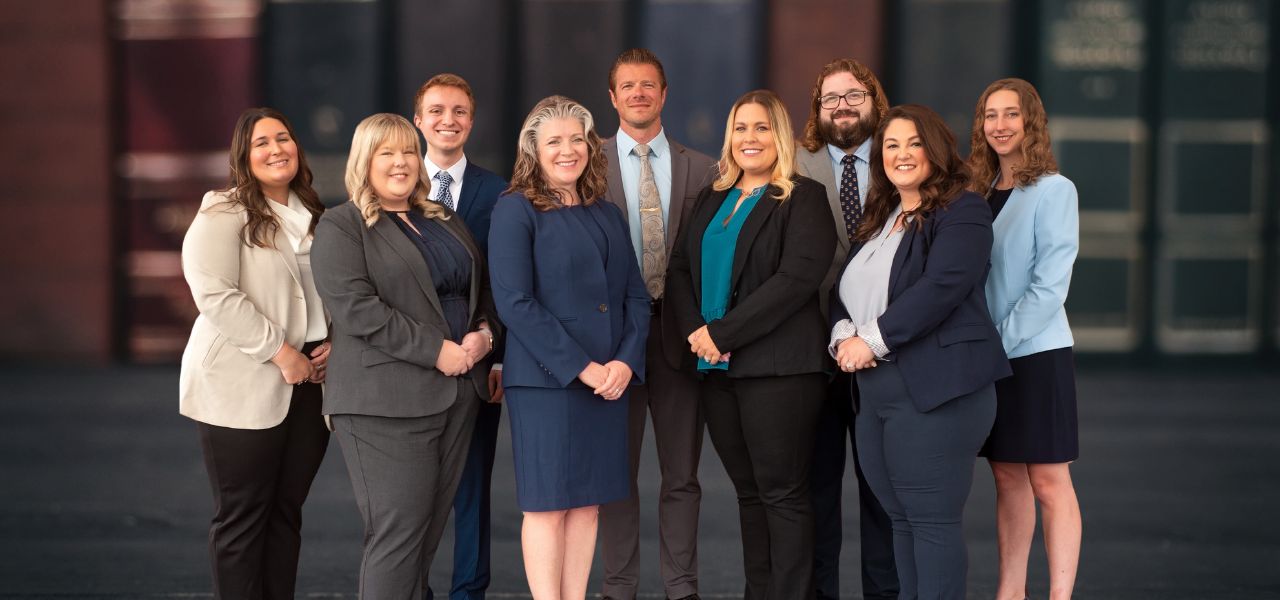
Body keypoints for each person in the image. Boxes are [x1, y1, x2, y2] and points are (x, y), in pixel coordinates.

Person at [311, 113, 500, 599]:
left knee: (425, 537)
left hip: (458, 393)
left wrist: (484, 333)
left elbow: (475, 288)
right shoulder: (341, 226)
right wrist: (436, 351)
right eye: (386, 153)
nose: (401, 162)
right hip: (384, 402)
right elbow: (358, 311)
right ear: (364, 161)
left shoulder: (440, 217)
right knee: (397, 538)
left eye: (409, 152)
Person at [829, 104, 1010, 599]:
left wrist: (869, 340)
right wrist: (844, 334)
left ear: (935, 150)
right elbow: (844, 290)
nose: (901, 154)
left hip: (938, 389)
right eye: (890, 145)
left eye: (913, 143)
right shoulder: (881, 217)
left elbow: (943, 286)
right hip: (876, 392)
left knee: (931, 522)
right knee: (900, 521)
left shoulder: (963, 209)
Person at [665, 89, 836, 600]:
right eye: (741, 128)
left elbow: (795, 281)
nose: (749, 138)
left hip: (779, 371)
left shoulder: (802, 198)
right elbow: (679, 271)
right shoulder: (715, 196)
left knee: (782, 495)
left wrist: (722, 334)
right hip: (717, 369)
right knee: (749, 495)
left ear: (779, 135)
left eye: (761, 127)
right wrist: (699, 332)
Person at [487, 95, 650, 599]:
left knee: (587, 504)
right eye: (553, 141)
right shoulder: (515, 209)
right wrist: (583, 368)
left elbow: (635, 297)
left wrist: (624, 362)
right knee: (548, 505)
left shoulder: (606, 212)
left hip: (608, 382)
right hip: (548, 382)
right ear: (532, 150)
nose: (567, 150)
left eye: (576, 139)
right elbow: (515, 303)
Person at [179, 107, 331, 600]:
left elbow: (338, 293)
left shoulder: (317, 214)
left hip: (311, 384)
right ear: (244, 157)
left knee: (286, 513)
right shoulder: (223, 212)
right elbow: (215, 294)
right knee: (242, 517)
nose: (275, 149)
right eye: (261, 142)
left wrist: (335, 342)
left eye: (283, 138)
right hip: (244, 379)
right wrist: (282, 352)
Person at [597, 48, 717, 600]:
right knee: (614, 476)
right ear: (613, 97)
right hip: (612, 340)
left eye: (649, 85)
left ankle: (681, 587)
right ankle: (619, 588)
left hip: (680, 336)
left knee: (682, 476)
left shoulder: (704, 168)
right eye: (628, 86)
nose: (639, 93)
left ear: (664, 94)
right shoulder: (587, 163)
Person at [967, 78, 1082, 600]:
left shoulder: (1055, 190)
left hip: (1035, 353)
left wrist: (996, 344)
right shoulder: (976, 192)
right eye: (991, 115)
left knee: (1049, 483)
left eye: (1011, 114)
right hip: (989, 357)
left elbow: (1049, 287)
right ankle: (1010, 592)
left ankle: (1059, 596)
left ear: (1030, 121)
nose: (1000, 125)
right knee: (1007, 478)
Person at [793, 58, 897, 600]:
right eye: (831, 98)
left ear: (873, 101)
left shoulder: (900, 155)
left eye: (854, 95)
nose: (842, 106)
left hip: (886, 347)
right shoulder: (793, 163)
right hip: (811, 349)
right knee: (816, 493)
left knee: (883, 492)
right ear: (817, 109)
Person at [412, 72, 509, 600]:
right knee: (414, 493)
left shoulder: (498, 191)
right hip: (413, 362)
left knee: (472, 486)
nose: (448, 120)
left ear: (471, 121)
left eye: (459, 112)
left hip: (478, 360)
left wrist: (495, 350)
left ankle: (469, 591)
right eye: (437, 111)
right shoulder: (399, 184)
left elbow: (505, 279)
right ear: (418, 120)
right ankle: (414, 587)